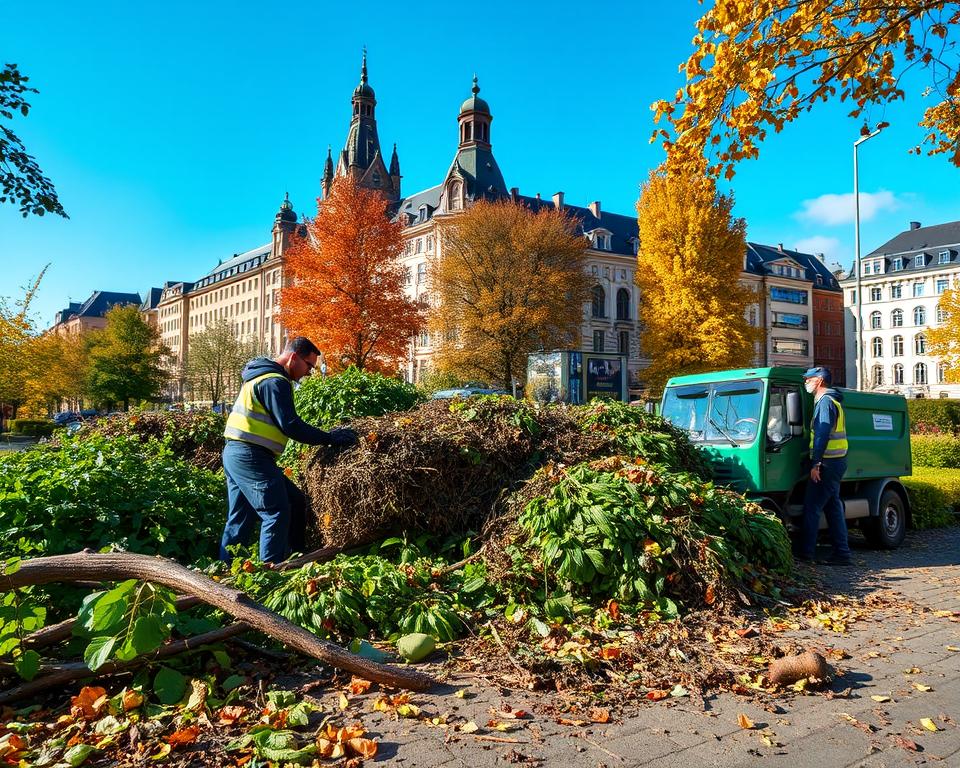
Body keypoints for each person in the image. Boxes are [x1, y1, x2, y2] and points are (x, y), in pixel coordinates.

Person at [219, 337, 357, 564]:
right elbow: (290, 424)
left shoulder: (259, 376)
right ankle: (272, 574)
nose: (309, 372)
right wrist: (330, 438)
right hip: (251, 455)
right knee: (276, 511)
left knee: (281, 505)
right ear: (294, 357)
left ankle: (228, 570)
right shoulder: (275, 382)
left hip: (238, 453)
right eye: (309, 366)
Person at [796, 366, 851, 566]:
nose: (805, 382)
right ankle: (842, 554)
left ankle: (806, 554)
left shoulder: (825, 402)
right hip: (835, 462)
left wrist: (816, 463)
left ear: (819, 380)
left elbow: (822, 433)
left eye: (808, 379)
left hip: (827, 463)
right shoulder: (830, 400)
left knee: (812, 507)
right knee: (832, 507)